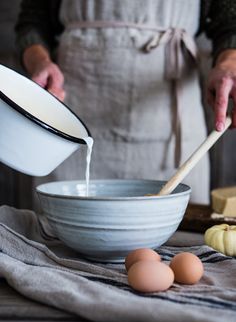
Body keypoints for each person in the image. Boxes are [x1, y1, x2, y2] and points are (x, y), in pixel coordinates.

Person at [15, 0, 236, 205]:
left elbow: (229, 23)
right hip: (72, 123)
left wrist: (229, 63)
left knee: (178, 242)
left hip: (169, 134)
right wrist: (40, 62)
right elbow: (32, 24)